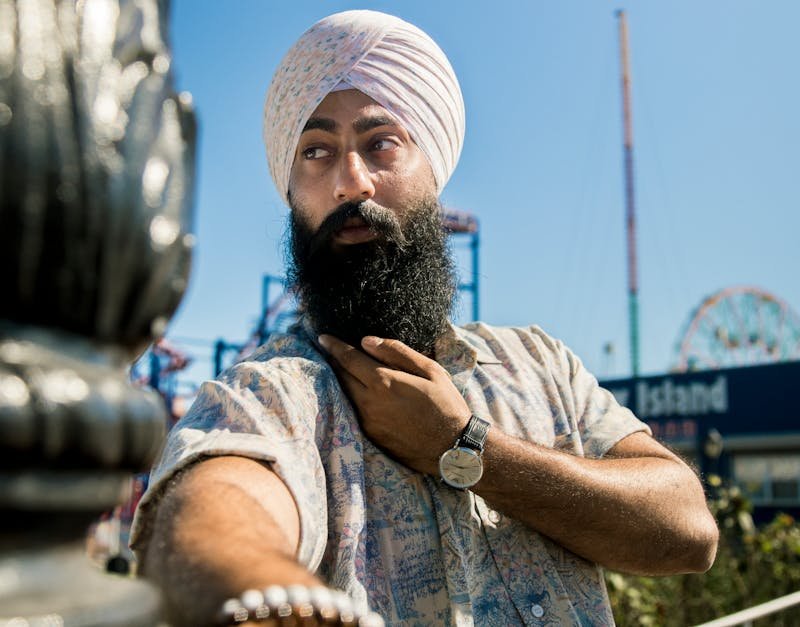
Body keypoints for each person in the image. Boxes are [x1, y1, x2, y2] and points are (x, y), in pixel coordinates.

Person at [132, 10, 718, 627]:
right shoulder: (274, 390)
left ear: (433, 169)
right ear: (292, 189)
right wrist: (267, 593)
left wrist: (463, 445)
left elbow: (688, 531)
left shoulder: (538, 364)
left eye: (380, 143)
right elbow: (210, 520)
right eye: (316, 151)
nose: (350, 183)